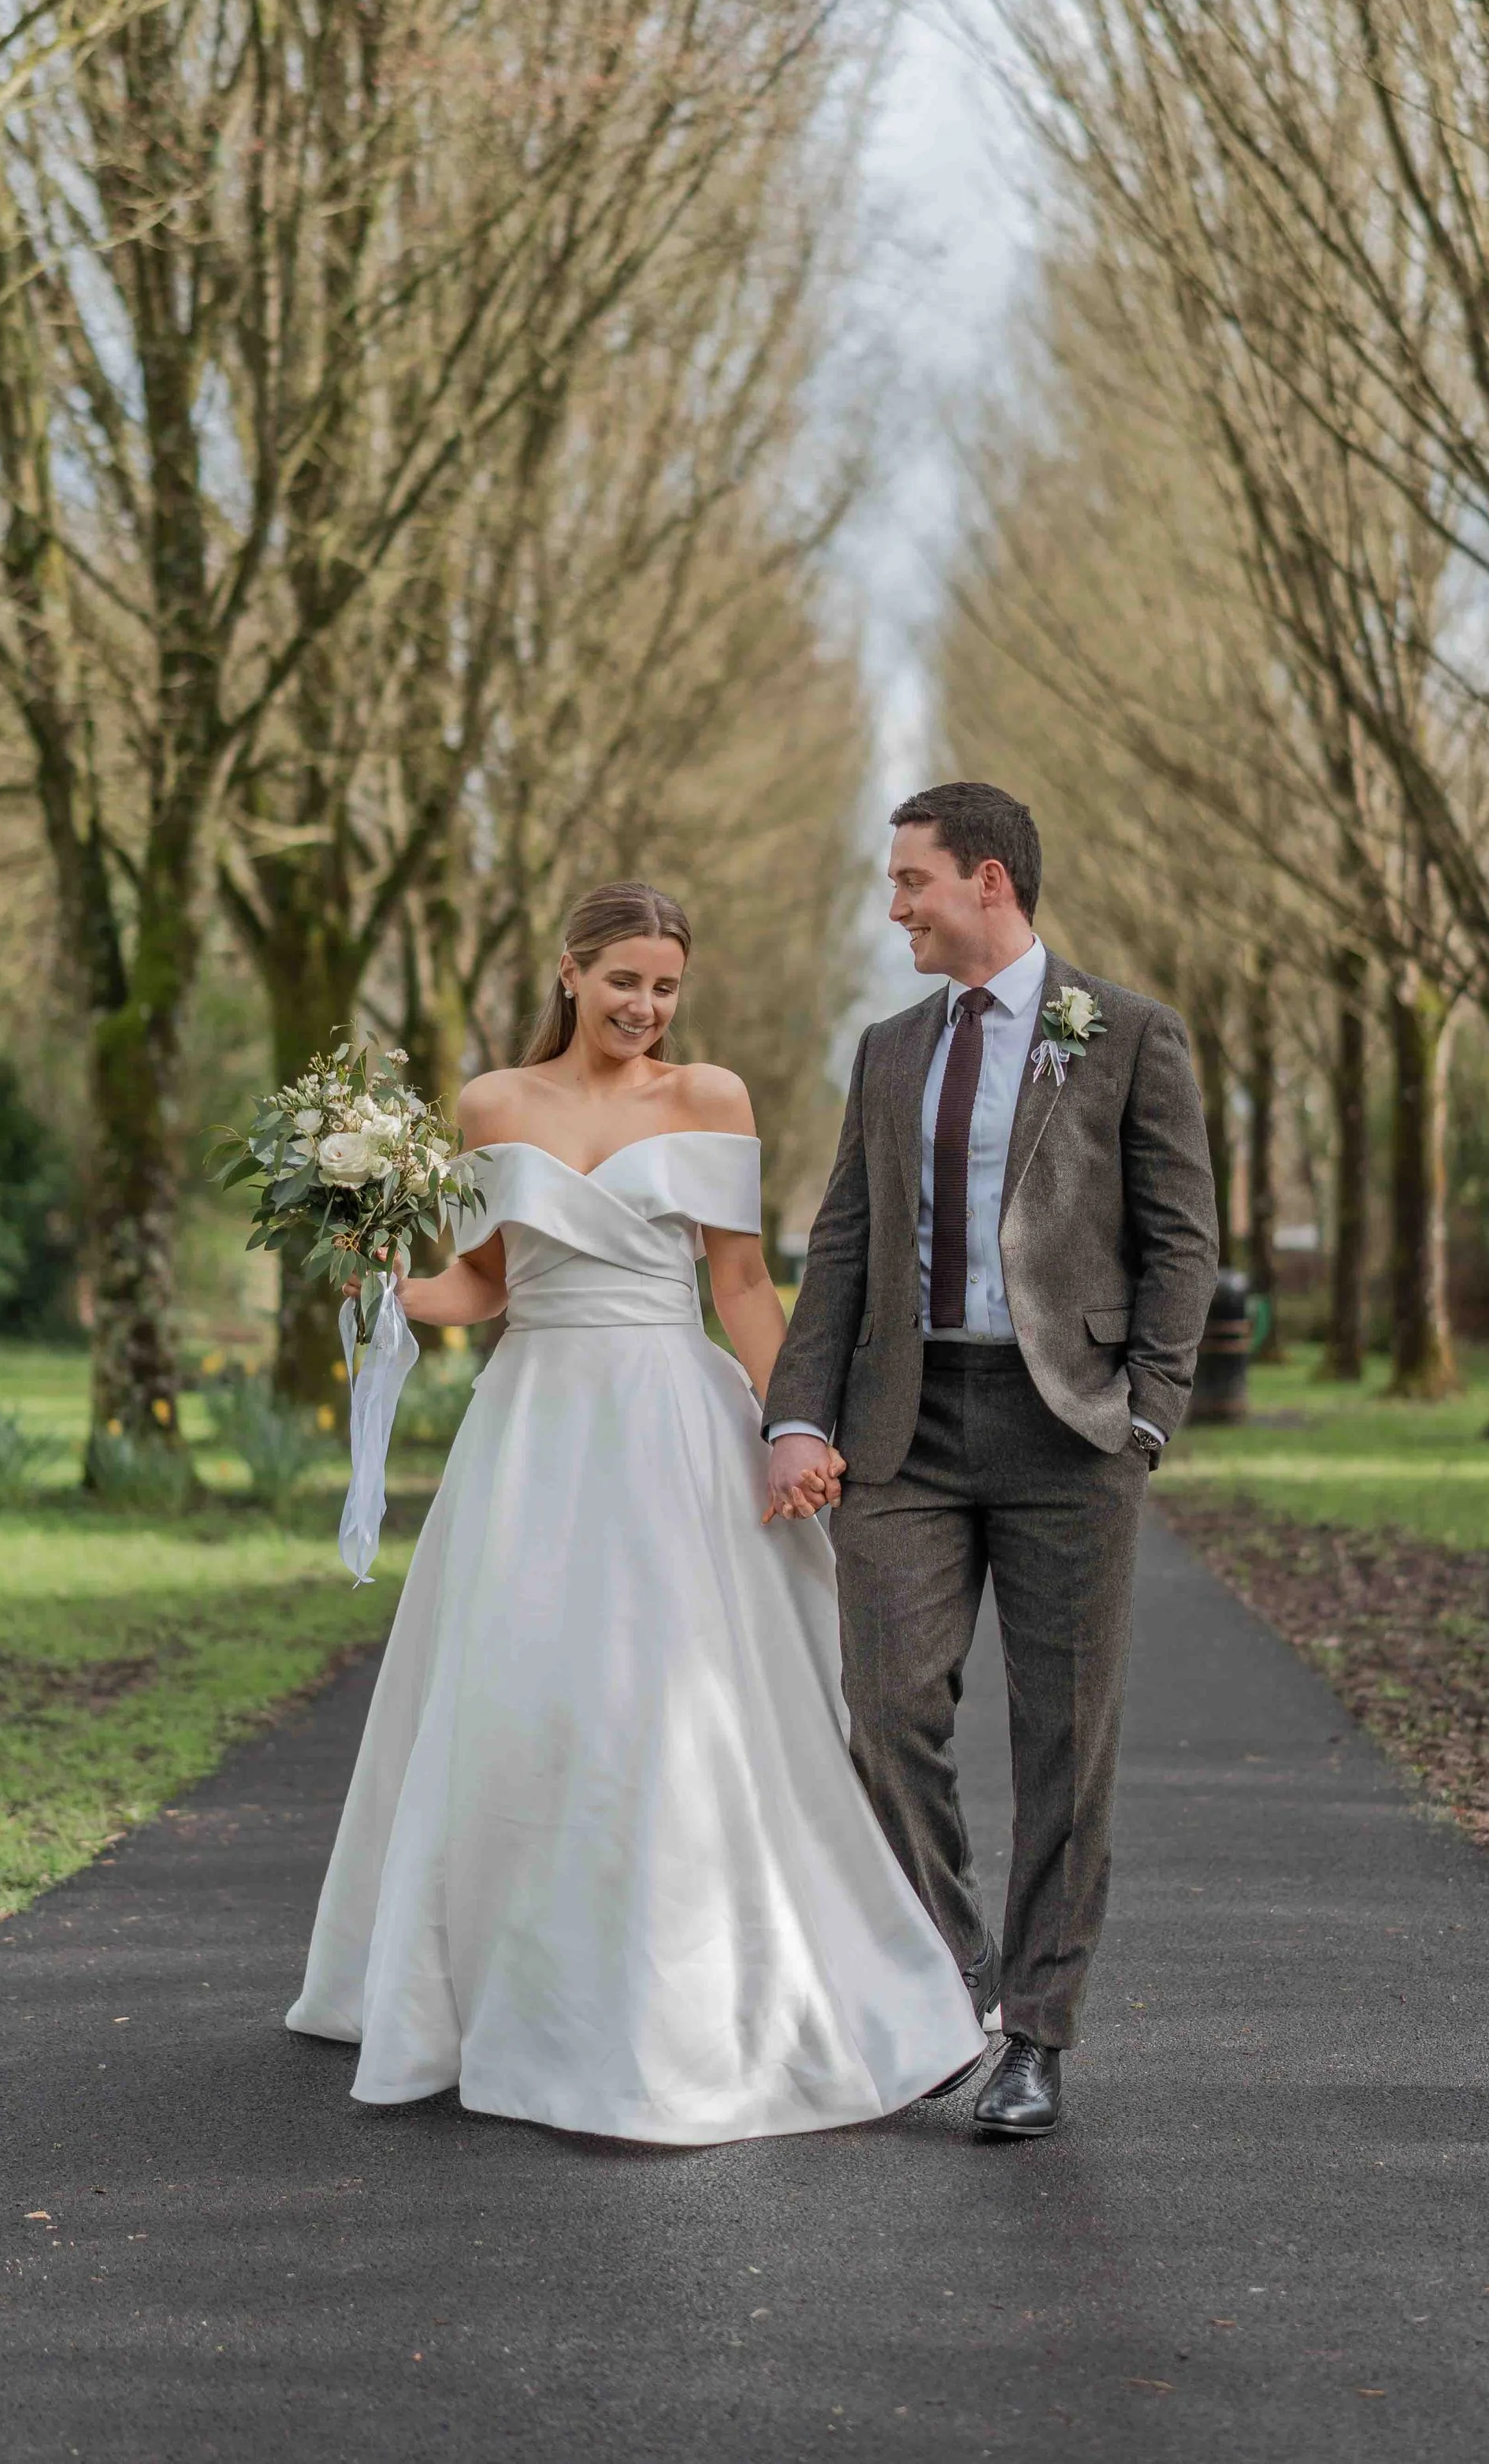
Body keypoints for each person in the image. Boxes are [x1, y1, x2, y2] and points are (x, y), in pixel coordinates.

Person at [285, 881, 983, 2145]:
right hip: (537, 1423)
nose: (645, 1008)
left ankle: (696, 1990)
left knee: (670, 1700)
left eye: (665, 987)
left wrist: (795, 1424)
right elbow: (483, 1284)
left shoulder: (709, 1097)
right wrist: (386, 1273)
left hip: (670, 1418)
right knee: (526, 1695)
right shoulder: (493, 1104)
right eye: (624, 983)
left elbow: (743, 1283)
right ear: (571, 969)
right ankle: (513, 1983)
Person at [765, 784, 1217, 2138]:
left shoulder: (1129, 1033)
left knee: (1061, 1742)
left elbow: (1182, 1238)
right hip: (903, 1425)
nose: (892, 905)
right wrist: (800, 1409)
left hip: (1069, 1433)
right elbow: (840, 1242)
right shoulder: (887, 1049)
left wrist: (1149, 1409)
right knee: (889, 1706)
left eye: (911, 881)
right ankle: (950, 1980)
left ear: (991, 883)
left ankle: (1037, 2031)